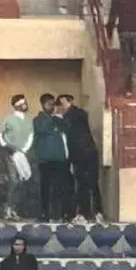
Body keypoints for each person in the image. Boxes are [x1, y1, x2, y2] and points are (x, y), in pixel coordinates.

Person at [57, 94, 103, 223]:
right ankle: (95, 212)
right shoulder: (79, 115)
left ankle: (87, 213)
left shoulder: (72, 116)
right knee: (91, 184)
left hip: (81, 154)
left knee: (84, 184)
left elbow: (71, 139)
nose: (62, 106)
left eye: (63, 103)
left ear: (69, 102)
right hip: (87, 152)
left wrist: (59, 116)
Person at [32, 93, 70, 221]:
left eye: (54, 104)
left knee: (59, 187)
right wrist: (54, 120)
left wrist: (58, 118)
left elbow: (65, 127)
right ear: (43, 105)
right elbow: (43, 128)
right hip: (46, 158)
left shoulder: (58, 119)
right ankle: (45, 214)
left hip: (59, 158)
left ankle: (59, 214)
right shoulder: (38, 119)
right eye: (50, 104)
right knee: (46, 188)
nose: (53, 106)